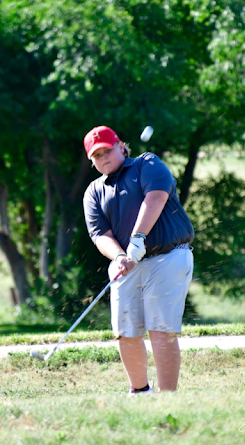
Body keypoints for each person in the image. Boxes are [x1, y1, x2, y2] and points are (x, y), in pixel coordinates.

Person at [81, 125, 195, 396]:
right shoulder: (94, 192)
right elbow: (100, 234)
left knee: (160, 328)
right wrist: (119, 256)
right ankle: (141, 392)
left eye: (107, 151)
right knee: (126, 330)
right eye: (96, 156)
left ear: (121, 146)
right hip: (128, 264)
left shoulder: (147, 164)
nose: (103, 158)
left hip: (168, 256)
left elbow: (157, 196)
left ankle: (167, 398)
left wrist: (138, 237)